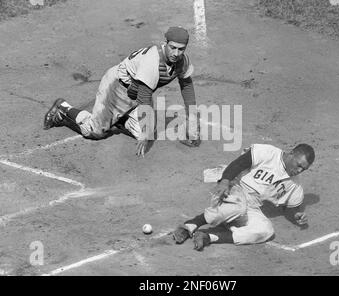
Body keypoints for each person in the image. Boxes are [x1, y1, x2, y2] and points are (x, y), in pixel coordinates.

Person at [43, 26, 201, 157]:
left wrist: (192, 117)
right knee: (95, 131)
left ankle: (119, 118)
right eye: (173, 47)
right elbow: (144, 97)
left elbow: (186, 86)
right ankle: (63, 109)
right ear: (165, 43)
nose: (176, 53)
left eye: (181, 49)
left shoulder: (182, 61)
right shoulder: (152, 63)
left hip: (135, 94)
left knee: (148, 131)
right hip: (117, 88)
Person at [172, 143, 315, 251]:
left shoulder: (295, 185)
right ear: (291, 154)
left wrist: (297, 215)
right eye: (299, 165)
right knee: (237, 207)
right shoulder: (268, 153)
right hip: (234, 188)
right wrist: (225, 181)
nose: (299, 170)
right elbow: (240, 163)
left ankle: (208, 237)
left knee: (266, 230)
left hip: (252, 206)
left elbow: (293, 207)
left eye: (304, 169)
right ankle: (189, 226)